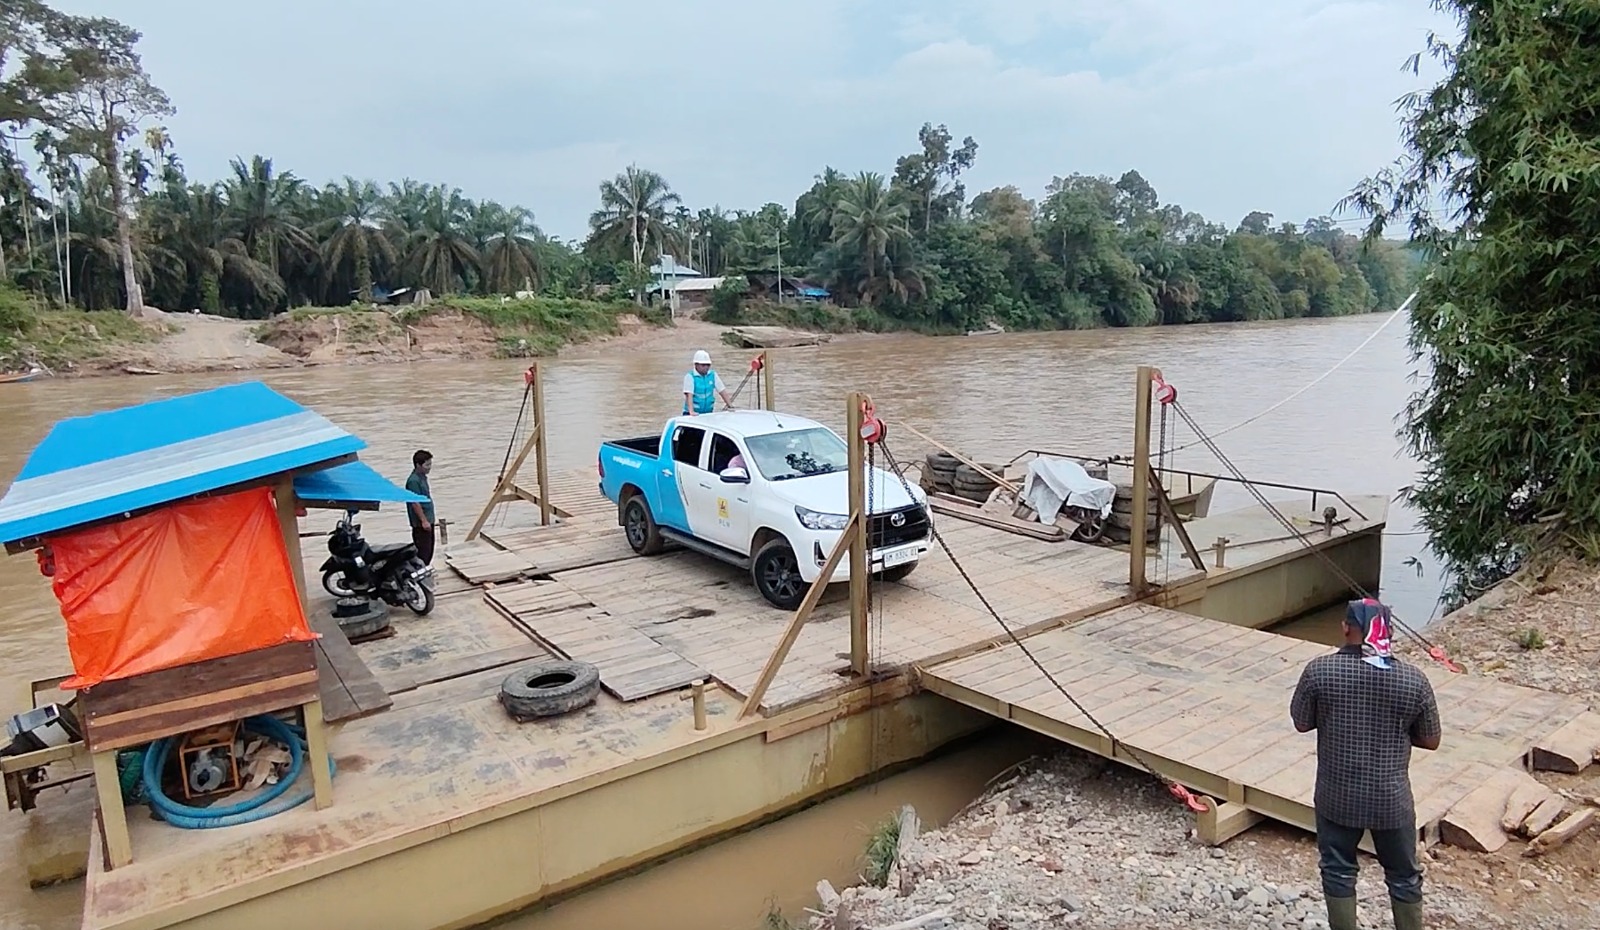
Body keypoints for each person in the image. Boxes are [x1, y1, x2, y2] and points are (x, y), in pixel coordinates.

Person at [1290, 599, 1441, 930]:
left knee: (1338, 869)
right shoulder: (1413, 680)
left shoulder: (1319, 671)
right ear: (1388, 631)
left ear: (1346, 628)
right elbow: (1431, 740)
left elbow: (1301, 723)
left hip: (1336, 794)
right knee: (1403, 875)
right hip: (1392, 798)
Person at [405, 450, 436, 566]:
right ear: (418, 465)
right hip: (421, 523)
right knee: (423, 551)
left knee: (430, 548)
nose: (429, 468)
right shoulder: (413, 481)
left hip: (429, 519)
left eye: (430, 464)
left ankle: (425, 569)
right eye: (427, 465)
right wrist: (423, 520)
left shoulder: (422, 477)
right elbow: (415, 502)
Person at [682, 349, 733, 416]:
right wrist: (691, 411)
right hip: (692, 414)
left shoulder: (713, 375)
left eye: (708, 365)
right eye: (703, 365)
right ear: (696, 365)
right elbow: (689, 395)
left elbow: (722, 391)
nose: (706, 367)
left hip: (708, 413)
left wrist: (730, 406)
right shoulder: (690, 377)